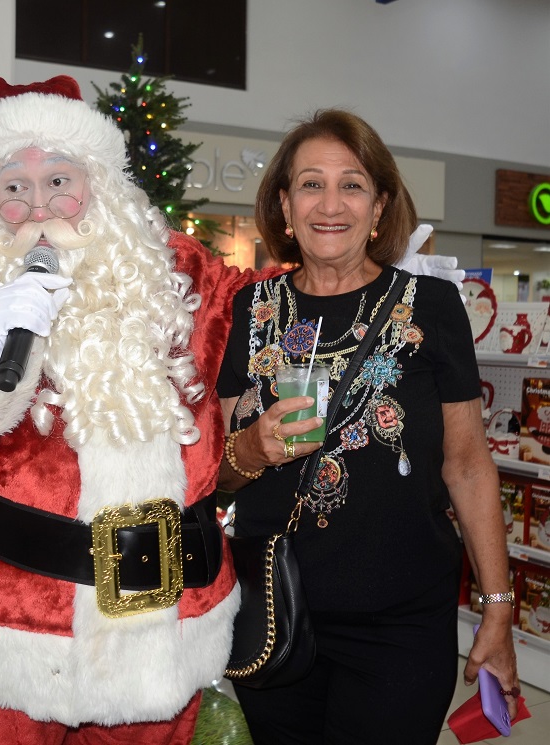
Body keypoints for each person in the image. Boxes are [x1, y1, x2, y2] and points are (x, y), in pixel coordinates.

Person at [0, 75, 247, 744]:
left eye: (58, 178)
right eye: (12, 187)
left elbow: (285, 317)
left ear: (99, 185)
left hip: (158, 630)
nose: (38, 202)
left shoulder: (186, 275)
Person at [215, 109, 519, 744]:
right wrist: (251, 446)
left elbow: (466, 464)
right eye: (310, 184)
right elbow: (215, 473)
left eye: (352, 184)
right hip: (276, 610)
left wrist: (498, 608)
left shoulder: (432, 307)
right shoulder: (251, 310)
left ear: (380, 206)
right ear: (284, 202)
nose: (331, 204)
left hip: (401, 625)